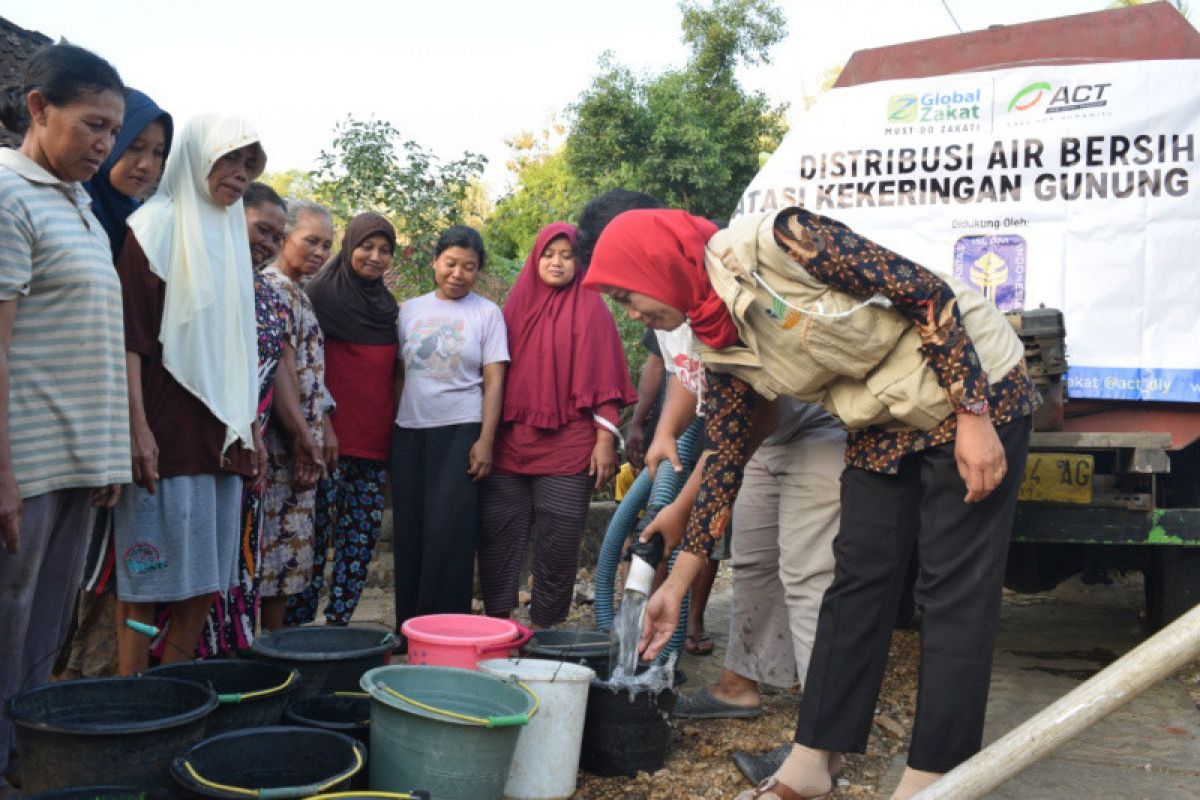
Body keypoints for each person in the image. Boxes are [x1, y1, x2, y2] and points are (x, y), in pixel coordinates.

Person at [584, 206, 1036, 800]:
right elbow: (722, 462)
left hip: (973, 385)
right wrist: (674, 584)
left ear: (657, 262)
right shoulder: (715, 340)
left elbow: (924, 292)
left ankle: (934, 776)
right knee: (856, 583)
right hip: (882, 419)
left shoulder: (779, 241)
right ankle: (810, 762)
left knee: (954, 590)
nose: (633, 313)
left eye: (628, 295)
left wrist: (974, 417)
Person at [0, 43, 130, 792]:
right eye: (93, 125)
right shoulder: (8, 194)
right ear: (39, 109)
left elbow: (87, 342)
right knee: (8, 618)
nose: (106, 146)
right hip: (26, 460)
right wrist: (5, 475)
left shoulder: (79, 203)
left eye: (113, 129)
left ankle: (24, 763)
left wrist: (105, 454)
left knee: (46, 626)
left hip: (76, 460)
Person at [113, 114, 267, 674]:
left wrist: (250, 426)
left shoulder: (226, 234)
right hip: (165, 427)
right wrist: (137, 428)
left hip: (222, 432)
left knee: (206, 576)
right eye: (228, 159)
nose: (240, 175)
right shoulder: (153, 228)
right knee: (145, 575)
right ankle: (129, 693)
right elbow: (131, 339)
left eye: (249, 165)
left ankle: (173, 685)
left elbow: (237, 345)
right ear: (198, 157)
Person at [55, 87, 173, 681]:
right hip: (55, 423)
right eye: (135, 148)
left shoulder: (139, 229)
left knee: (84, 575)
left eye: (157, 152)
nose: (145, 165)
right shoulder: (75, 214)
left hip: (106, 427)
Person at [477, 223, 635, 628]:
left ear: (579, 261)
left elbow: (604, 379)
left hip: (569, 444)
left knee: (560, 542)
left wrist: (604, 441)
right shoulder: (512, 307)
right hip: (510, 443)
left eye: (567, 255)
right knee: (498, 536)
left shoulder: (591, 307)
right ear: (535, 258)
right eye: (549, 254)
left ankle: (546, 629)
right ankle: (498, 625)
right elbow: (491, 373)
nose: (557, 262)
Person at [392, 225, 508, 639]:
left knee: (451, 533)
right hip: (410, 432)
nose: (458, 274)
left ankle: (446, 631)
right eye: (451, 263)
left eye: (469, 267)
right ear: (435, 262)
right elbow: (400, 374)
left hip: (462, 430)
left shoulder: (486, 313)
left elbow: (494, 380)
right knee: (410, 532)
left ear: (478, 271)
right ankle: (409, 628)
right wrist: (393, 424)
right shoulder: (408, 311)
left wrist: (485, 440)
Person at [290, 213, 397, 626]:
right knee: (313, 543)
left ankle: (340, 630)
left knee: (358, 544)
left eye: (384, 250)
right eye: (366, 247)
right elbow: (307, 369)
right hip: (326, 442)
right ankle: (299, 633)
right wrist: (325, 425)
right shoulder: (320, 297)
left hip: (374, 445)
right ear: (349, 247)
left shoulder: (388, 309)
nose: (375, 256)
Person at [259, 199, 333, 629]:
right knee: (273, 557)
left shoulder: (296, 290)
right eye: (311, 241)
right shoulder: (273, 288)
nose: (320, 252)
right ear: (284, 237)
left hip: (301, 439)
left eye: (327, 244)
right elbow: (280, 368)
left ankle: (274, 649)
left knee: (287, 563)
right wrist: (303, 438)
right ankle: (263, 656)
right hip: (281, 442)